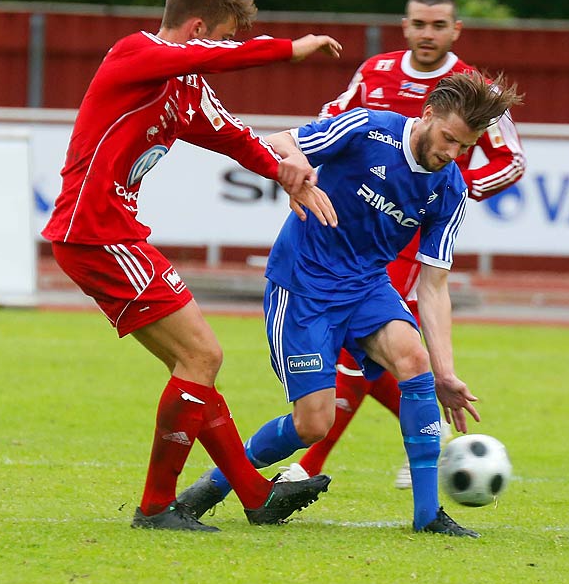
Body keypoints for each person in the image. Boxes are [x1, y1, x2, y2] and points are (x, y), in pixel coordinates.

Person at [43, 0, 345, 532]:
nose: (232, 48)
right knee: (202, 356)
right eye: (229, 36)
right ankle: (158, 507)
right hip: (95, 233)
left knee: (195, 366)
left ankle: (254, 496)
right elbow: (205, 59)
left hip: (108, 234)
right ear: (201, 31)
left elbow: (232, 136)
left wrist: (286, 174)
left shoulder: (187, 90)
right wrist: (290, 48)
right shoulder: (134, 55)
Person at [175, 70, 525, 537]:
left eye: (464, 147)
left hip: (366, 286)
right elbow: (282, 141)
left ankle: (427, 517)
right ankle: (208, 490)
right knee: (312, 425)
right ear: (426, 116)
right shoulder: (366, 128)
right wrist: (296, 176)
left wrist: (445, 373)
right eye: (448, 139)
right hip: (303, 284)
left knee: (414, 358)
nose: (452, 154)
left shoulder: (450, 188)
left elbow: (434, 285)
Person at [299, 0, 525, 486]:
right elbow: (332, 116)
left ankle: (305, 468)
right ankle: (429, 432)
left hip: (410, 236)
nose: (428, 34)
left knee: (356, 345)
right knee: (376, 348)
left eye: (438, 25)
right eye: (419, 24)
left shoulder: (475, 91)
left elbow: (512, 161)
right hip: (361, 224)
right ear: (405, 26)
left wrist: (457, 192)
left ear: (455, 31)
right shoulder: (376, 73)